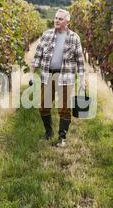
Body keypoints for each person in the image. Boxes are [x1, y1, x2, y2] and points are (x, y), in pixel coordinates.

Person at [30, 9, 85, 147]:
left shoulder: (74, 37)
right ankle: (48, 132)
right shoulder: (46, 35)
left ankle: (62, 137)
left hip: (65, 76)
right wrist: (32, 74)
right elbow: (37, 56)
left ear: (67, 21)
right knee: (43, 106)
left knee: (64, 108)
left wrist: (82, 80)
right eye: (56, 18)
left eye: (60, 19)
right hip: (48, 75)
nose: (57, 20)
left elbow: (80, 61)